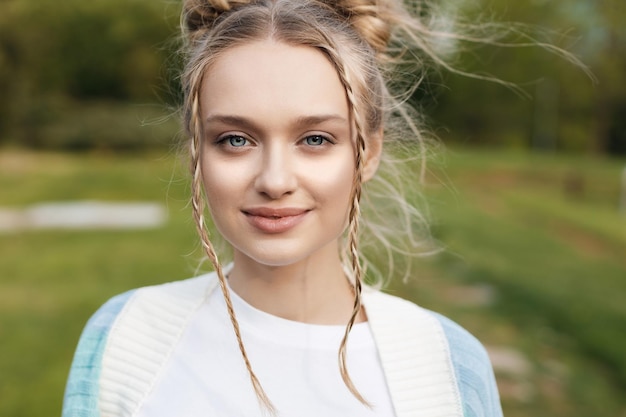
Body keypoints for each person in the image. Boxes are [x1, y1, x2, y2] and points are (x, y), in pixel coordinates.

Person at [62, 0, 503, 416]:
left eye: (315, 140)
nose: (275, 181)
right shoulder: (125, 337)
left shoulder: (445, 366)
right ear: (197, 149)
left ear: (368, 153)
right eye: (236, 140)